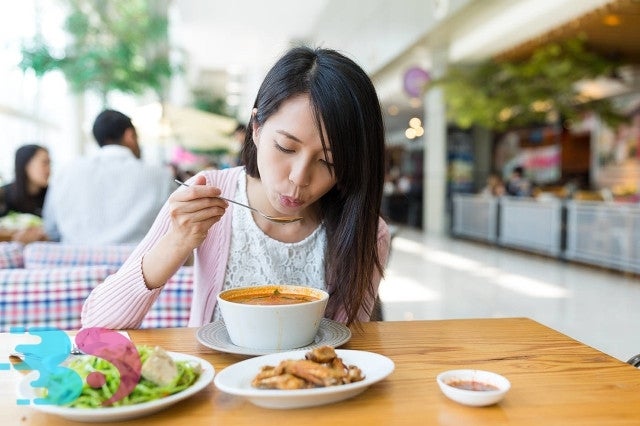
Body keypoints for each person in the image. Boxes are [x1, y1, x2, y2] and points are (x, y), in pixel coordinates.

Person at [81, 46, 391, 329]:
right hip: (214, 386)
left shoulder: (365, 231)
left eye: (329, 163)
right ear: (255, 129)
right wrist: (177, 241)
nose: (299, 177)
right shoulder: (209, 192)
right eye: (285, 147)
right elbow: (98, 324)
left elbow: (346, 348)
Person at [43, 109, 174, 245]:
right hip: (142, 263)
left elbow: (51, 229)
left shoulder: (65, 172)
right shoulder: (160, 176)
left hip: (73, 263)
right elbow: (177, 226)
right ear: (129, 135)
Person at [0, 144, 50, 243]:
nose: (49, 170)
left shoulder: (52, 195)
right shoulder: (3, 193)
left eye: (50, 164)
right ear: (26, 165)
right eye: (44, 163)